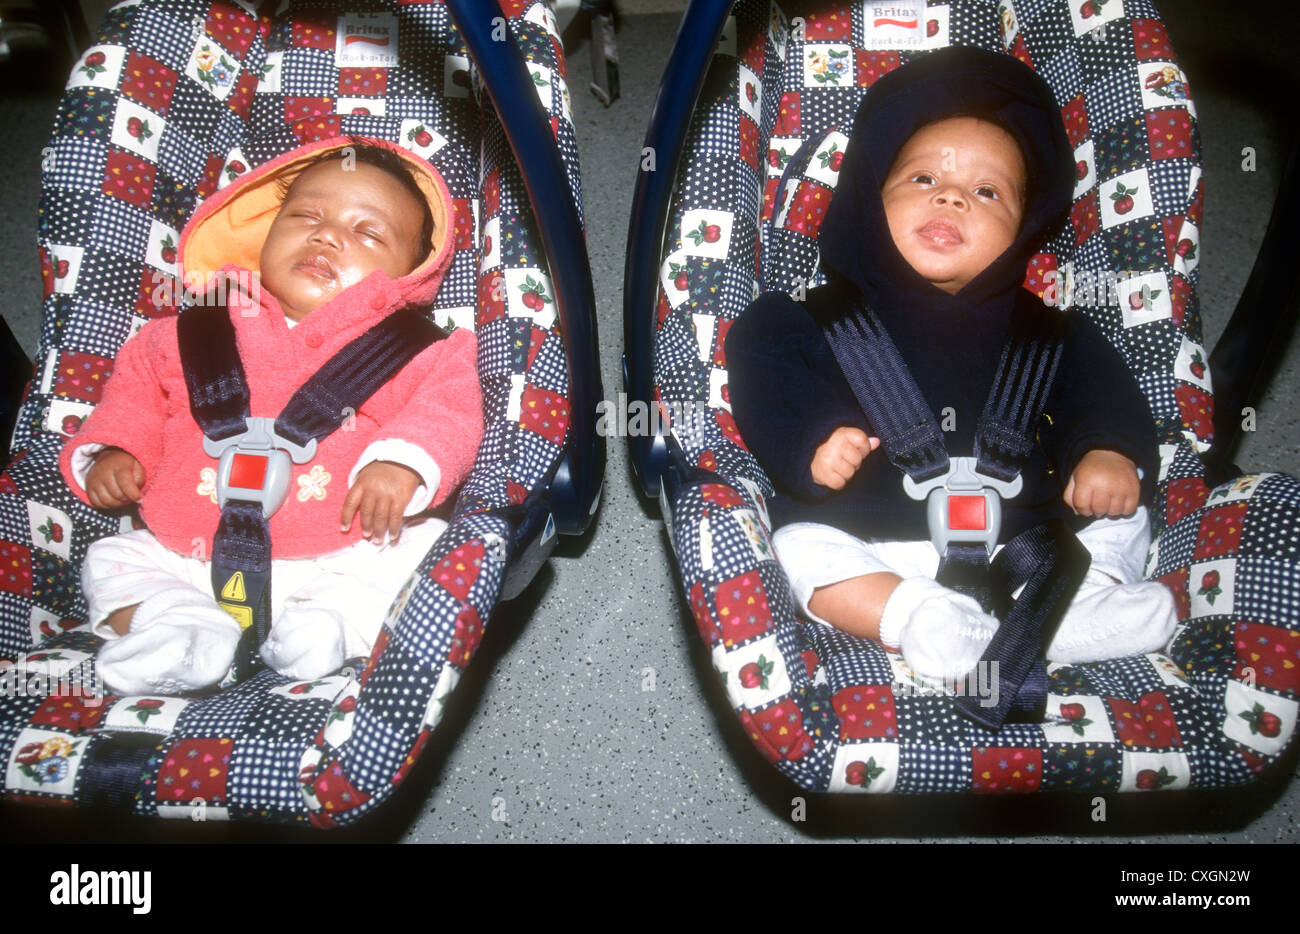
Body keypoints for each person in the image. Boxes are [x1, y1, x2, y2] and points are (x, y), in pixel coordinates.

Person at [726, 48, 1177, 682]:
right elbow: (762, 369)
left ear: (1023, 230)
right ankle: (921, 618)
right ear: (868, 199)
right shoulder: (810, 317)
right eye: (922, 180)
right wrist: (812, 440)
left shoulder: (1051, 331)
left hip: (1032, 543)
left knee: (1124, 518)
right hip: (878, 540)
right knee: (796, 547)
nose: (952, 198)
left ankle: (1076, 609)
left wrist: (1104, 449)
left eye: (986, 191)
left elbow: (1101, 391)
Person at [59, 138, 483, 695]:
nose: (326, 234)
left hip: (340, 553)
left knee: (432, 546)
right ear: (266, 233)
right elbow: (137, 393)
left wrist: (401, 464)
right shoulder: (189, 331)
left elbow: (447, 409)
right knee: (110, 560)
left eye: (367, 232)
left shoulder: (420, 349)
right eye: (305, 215)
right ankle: (180, 629)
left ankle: (329, 625)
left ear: (411, 272)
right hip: (183, 549)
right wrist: (119, 447)